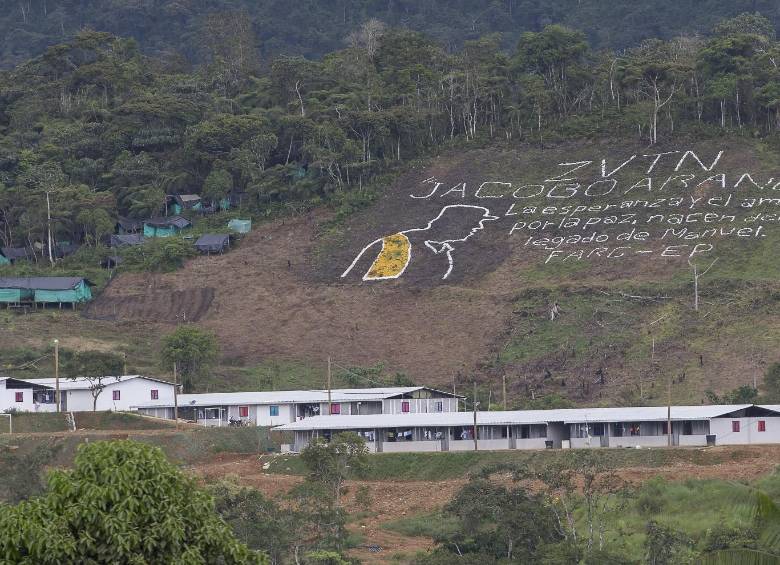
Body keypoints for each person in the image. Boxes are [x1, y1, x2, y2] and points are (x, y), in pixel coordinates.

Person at [341, 204, 498, 281]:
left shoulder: (442, 248)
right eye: (475, 223)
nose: (478, 227)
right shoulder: (396, 244)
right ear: (453, 223)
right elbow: (379, 281)